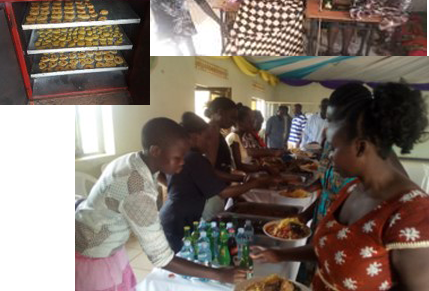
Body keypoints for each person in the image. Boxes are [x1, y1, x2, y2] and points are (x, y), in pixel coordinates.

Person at [252, 82, 429, 290]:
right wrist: (279, 254)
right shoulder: (352, 189)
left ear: (360, 147)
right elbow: (333, 247)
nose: (330, 157)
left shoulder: (411, 214)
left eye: (334, 148)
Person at [75, 118, 244, 291]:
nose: (183, 162)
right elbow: (162, 258)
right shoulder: (137, 189)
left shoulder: (136, 160)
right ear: (156, 151)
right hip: (93, 248)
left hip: (98, 234)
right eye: (177, 158)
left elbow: (155, 180)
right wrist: (219, 274)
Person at [160, 112, 271, 252]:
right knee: (179, 257)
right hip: (178, 220)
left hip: (176, 215)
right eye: (207, 138)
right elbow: (223, 193)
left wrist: (172, 190)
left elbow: (210, 175)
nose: (210, 143)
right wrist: (256, 183)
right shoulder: (194, 159)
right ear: (194, 137)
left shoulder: (188, 156)